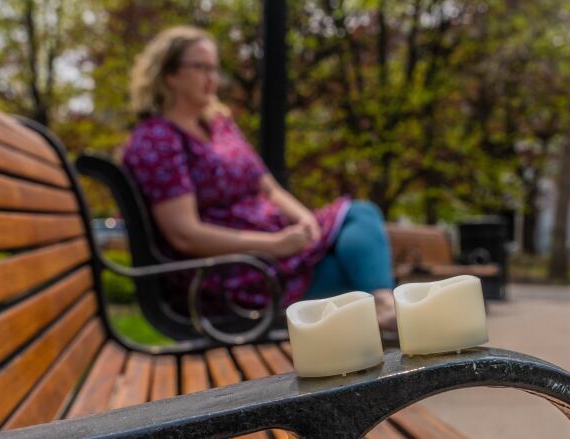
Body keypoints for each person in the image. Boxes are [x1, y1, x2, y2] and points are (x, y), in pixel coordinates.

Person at [122, 26, 396, 329]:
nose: (212, 77)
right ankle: (386, 311)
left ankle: (384, 305)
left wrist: (304, 219)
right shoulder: (157, 140)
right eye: (201, 68)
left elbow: (266, 185)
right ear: (169, 74)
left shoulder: (219, 124)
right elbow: (185, 234)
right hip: (240, 276)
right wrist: (274, 245)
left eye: (215, 68)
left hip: (280, 254)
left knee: (361, 212)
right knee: (353, 277)